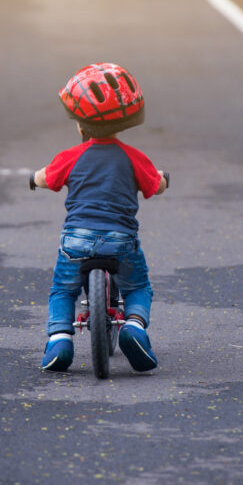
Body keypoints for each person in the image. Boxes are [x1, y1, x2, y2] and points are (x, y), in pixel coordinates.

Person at [30, 63, 168, 373]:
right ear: (125, 123)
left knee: (63, 290)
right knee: (137, 287)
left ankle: (60, 340)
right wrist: (162, 180)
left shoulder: (70, 157)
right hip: (121, 242)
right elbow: (155, 186)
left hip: (75, 241)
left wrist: (33, 178)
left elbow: (46, 178)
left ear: (80, 126)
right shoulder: (134, 157)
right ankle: (134, 326)